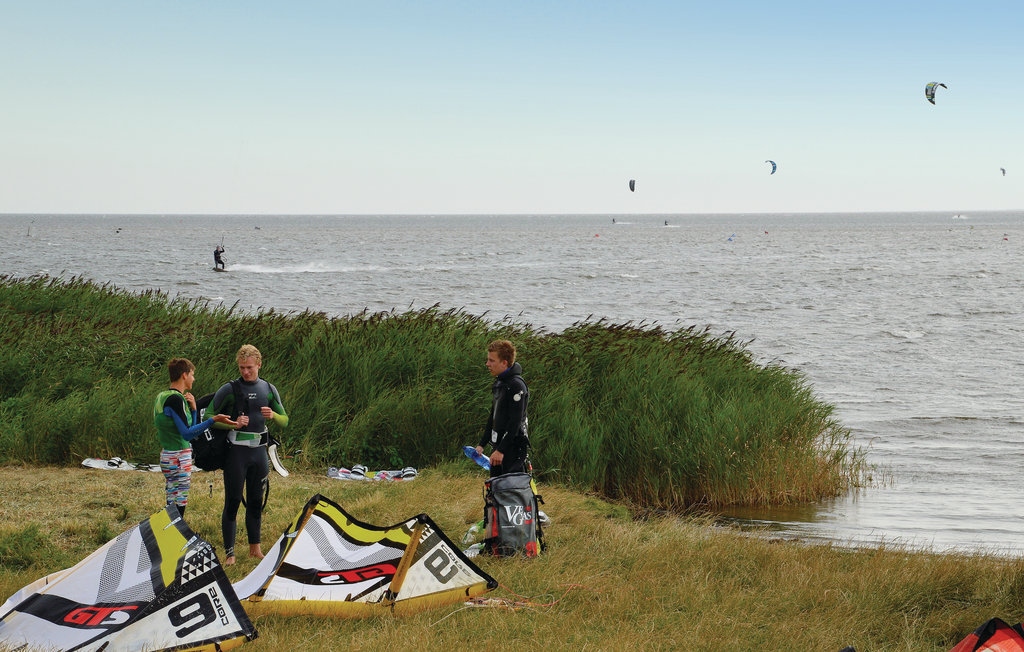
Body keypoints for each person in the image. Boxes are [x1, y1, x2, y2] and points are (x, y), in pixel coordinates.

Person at [211, 344, 289, 565]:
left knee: (256, 502)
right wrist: (232, 424)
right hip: (236, 454)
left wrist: (273, 414)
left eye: (250, 368)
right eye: (242, 367)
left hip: (259, 454)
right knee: (233, 501)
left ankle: (255, 549)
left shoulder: (268, 389)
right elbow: (210, 419)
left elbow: (285, 420)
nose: (245, 372)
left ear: (259, 365)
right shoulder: (229, 389)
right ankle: (230, 553)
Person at [154, 358, 234, 519]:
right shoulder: (176, 400)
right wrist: (213, 420)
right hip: (179, 456)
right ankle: (175, 532)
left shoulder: (163, 396)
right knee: (180, 500)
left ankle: (169, 531)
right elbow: (188, 434)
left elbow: (189, 427)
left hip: (168, 454)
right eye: (192, 374)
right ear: (184, 375)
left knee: (171, 498)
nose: (193, 378)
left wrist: (194, 410)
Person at [475, 339, 530, 477]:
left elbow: (515, 422)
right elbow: (493, 417)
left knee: (511, 492)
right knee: (495, 490)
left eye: (491, 360)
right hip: (498, 447)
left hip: (513, 448)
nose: (487, 364)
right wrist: (482, 444)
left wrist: (501, 450)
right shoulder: (500, 382)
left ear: (504, 362)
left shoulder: (516, 386)